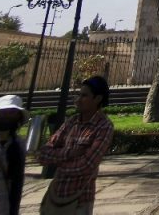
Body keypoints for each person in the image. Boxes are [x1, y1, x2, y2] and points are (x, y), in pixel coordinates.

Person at [37, 76, 114, 215]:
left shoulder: (103, 126)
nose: (78, 99)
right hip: (56, 195)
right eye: (78, 94)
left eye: (84, 95)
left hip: (80, 200)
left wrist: (58, 163)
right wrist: (69, 154)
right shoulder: (71, 122)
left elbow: (87, 165)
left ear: (97, 99)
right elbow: (43, 154)